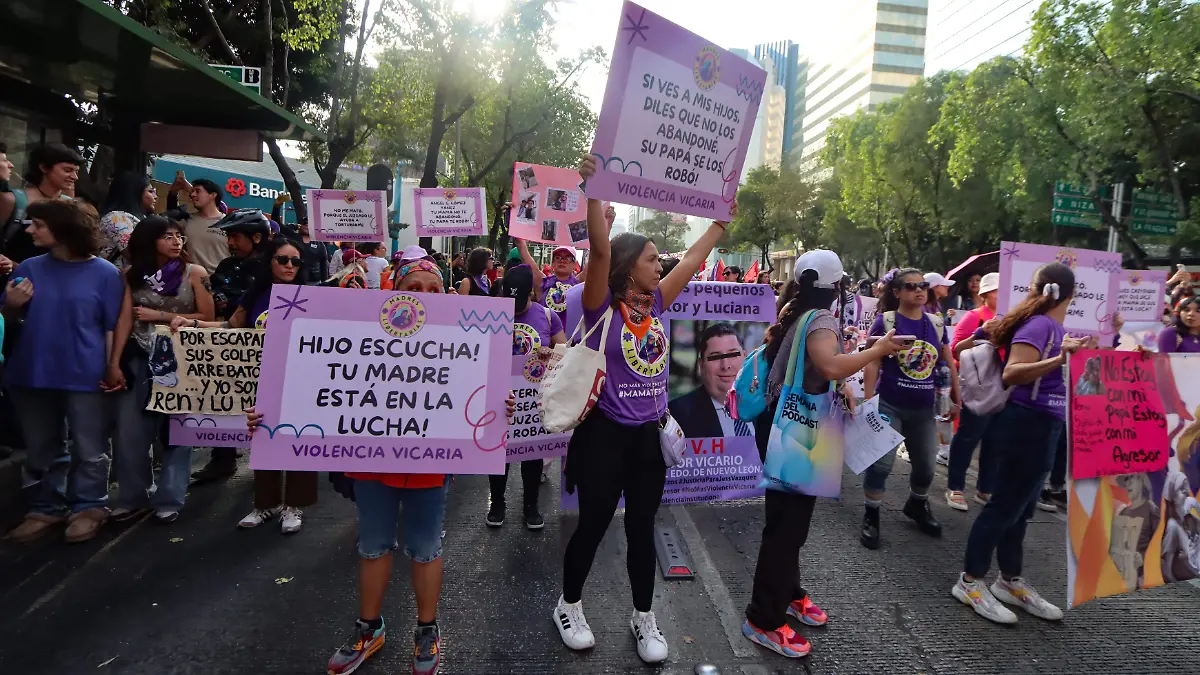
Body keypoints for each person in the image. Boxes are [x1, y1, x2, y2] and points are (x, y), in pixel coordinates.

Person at [553, 154, 734, 664]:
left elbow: (691, 262)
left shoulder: (654, 306)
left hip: (648, 441)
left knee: (641, 528)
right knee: (592, 526)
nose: (661, 266)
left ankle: (643, 616)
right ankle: (569, 606)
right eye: (653, 259)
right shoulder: (599, 304)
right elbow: (599, 253)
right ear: (630, 265)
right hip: (603, 439)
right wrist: (594, 192)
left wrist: (719, 225)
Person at [241, 256, 454, 675]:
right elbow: (314, 380)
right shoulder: (359, 334)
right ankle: (369, 628)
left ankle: (426, 629)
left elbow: (480, 396)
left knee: (426, 548)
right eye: (413, 288)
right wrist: (267, 414)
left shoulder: (459, 342)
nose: (424, 296)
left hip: (429, 466)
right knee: (373, 546)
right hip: (371, 464)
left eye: (434, 289)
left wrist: (499, 407)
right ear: (393, 292)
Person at [741, 250, 905, 658]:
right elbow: (829, 365)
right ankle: (763, 619)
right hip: (799, 431)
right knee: (786, 528)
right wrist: (878, 350)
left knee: (789, 522)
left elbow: (817, 368)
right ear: (839, 285)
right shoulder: (822, 320)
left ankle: (789, 593)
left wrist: (842, 383)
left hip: (786, 425)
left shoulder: (796, 311)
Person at [952, 262, 1091, 625]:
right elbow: (1014, 372)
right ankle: (970, 581)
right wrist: (1059, 359)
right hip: (1027, 423)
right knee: (1004, 506)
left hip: (1044, 424)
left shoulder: (1052, 326)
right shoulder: (1041, 325)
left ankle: (1009, 580)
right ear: (1071, 294)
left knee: (1022, 510)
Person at [2, 199, 124, 543]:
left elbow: (112, 326)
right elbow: (6, 320)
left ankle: (90, 506)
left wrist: (112, 366)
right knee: (41, 446)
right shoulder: (29, 267)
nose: (30, 230)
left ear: (64, 229)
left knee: (89, 445)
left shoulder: (105, 273)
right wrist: (11, 305)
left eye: (38, 224)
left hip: (86, 372)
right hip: (32, 370)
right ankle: (45, 507)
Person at [175, 239, 315, 532]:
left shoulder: (313, 295)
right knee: (264, 437)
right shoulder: (256, 295)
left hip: (301, 379)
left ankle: (294, 506)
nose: (290, 266)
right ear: (270, 261)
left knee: (299, 439)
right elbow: (231, 327)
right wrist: (193, 325)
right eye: (283, 259)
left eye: (296, 261)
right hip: (261, 378)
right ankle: (265, 504)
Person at [109, 216, 214, 523]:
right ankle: (133, 496)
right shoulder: (130, 276)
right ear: (148, 240)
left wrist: (160, 316)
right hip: (140, 356)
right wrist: (114, 363)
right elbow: (124, 320)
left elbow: (208, 316)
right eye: (167, 236)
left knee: (177, 430)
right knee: (130, 432)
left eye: (179, 236)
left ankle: (170, 497)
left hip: (182, 358)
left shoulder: (194, 273)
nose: (176, 242)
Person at [862, 268, 961, 549]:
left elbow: (948, 362)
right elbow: (872, 360)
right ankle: (871, 514)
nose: (919, 290)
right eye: (910, 286)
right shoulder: (886, 322)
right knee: (881, 465)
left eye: (923, 285)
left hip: (924, 410)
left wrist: (956, 399)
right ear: (896, 292)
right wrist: (868, 403)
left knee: (927, 467)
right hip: (889, 404)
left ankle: (917, 505)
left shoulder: (936, 324)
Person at [487, 264, 565, 529]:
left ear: (531, 293)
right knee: (498, 453)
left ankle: (531, 506)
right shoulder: (492, 313)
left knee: (532, 453)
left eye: (519, 304)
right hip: (500, 393)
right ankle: (497, 503)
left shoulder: (547, 315)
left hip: (534, 396)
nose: (515, 309)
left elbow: (564, 350)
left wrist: (549, 353)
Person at [943, 272, 1001, 510]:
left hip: (1004, 388)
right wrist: (981, 333)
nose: (1002, 295)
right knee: (968, 437)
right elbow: (955, 350)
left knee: (995, 440)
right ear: (985, 294)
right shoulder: (974, 317)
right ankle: (955, 486)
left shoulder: (1014, 318)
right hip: (977, 387)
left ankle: (985, 488)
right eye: (996, 290)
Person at [669, 323, 753, 439]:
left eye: (733, 355)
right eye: (715, 357)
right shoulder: (677, 416)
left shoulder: (766, 408)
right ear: (701, 365)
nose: (726, 366)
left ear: (745, 358)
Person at [4, 144, 83, 264]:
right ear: (44, 168)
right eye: (67, 170)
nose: (74, 177)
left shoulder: (71, 204)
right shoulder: (12, 200)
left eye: (76, 171)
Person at [97, 171, 156, 267]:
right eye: (151, 191)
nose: (155, 196)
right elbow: (137, 255)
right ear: (134, 193)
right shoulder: (117, 218)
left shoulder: (138, 218)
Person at [517, 238, 579, 327]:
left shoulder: (580, 285)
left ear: (574, 264)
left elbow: (597, 259)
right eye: (557, 257)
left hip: (571, 335)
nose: (562, 261)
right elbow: (523, 252)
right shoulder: (543, 283)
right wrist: (517, 233)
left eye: (567, 258)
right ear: (552, 263)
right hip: (545, 333)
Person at [181, 179, 230, 274]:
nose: (192, 195)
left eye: (198, 191)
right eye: (192, 191)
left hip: (220, 280)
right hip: (193, 278)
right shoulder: (186, 220)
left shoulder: (229, 223)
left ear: (212, 195)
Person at [1160, 472, 1198, 583]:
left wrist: (1197, 506)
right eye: (1181, 488)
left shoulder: (1191, 520)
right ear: (1173, 498)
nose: (1186, 491)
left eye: (1187, 487)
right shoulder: (1173, 527)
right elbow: (1166, 572)